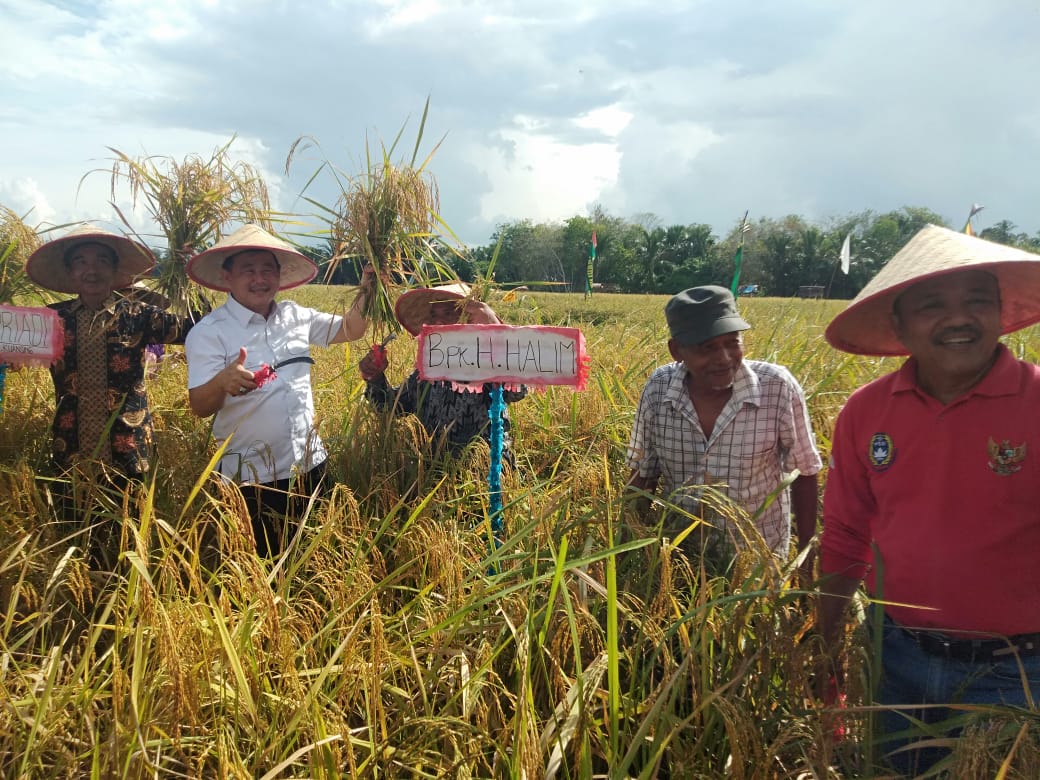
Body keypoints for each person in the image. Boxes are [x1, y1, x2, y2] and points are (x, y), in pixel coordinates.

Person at [818, 224, 1040, 775]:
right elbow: (846, 533)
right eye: (933, 304)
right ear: (899, 323)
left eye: (976, 301)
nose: (958, 319)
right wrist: (822, 642)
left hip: (1018, 670)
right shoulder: (866, 413)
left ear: (1000, 311)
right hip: (897, 658)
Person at [184, 224, 372, 558]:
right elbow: (199, 405)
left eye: (267, 270)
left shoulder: (295, 316)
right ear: (227, 277)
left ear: (279, 276)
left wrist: (369, 290)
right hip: (250, 478)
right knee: (259, 568)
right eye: (248, 271)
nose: (260, 279)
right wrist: (222, 381)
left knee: (317, 559)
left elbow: (351, 329)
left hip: (309, 466)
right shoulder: (209, 333)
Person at [25, 225, 198, 569]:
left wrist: (184, 276)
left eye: (102, 260)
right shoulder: (50, 321)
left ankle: (129, 601)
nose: (92, 269)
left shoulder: (138, 315)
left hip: (128, 447)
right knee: (74, 536)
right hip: (70, 446)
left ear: (116, 271)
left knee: (129, 537)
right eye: (82, 261)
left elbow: (198, 329)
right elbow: (13, 349)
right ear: (70, 272)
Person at [625, 285, 821, 573]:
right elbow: (642, 473)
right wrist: (626, 546)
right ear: (676, 350)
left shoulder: (777, 388)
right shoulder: (659, 389)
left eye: (732, 342)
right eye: (707, 348)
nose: (725, 358)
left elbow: (805, 472)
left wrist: (805, 556)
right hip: (680, 561)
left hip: (757, 564)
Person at [358, 283, 527, 464]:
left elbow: (517, 389)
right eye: (433, 315)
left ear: (469, 318)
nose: (438, 322)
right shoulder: (428, 370)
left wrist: (495, 331)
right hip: (434, 469)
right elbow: (392, 408)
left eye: (448, 313)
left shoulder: (488, 358)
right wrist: (375, 377)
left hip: (483, 470)